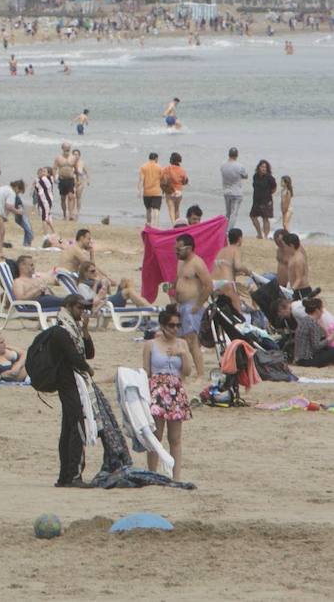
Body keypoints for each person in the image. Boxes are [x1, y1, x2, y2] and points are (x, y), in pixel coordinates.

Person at [42, 295, 95, 486]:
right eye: (80, 307)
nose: (83, 311)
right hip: (67, 382)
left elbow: (89, 353)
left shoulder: (73, 329)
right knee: (75, 428)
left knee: (69, 427)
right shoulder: (61, 331)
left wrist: (86, 331)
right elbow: (75, 358)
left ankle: (66, 476)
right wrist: (88, 369)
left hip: (73, 383)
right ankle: (72, 475)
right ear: (69, 307)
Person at [143, 304, 194, 480]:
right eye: (171, 325)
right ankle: (152, 473)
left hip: (175, 391)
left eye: (178, 326)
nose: (175, 329)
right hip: (156, 390)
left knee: (175, 438)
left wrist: (183, 354)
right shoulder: (150, 344)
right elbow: (146, 372)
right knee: (155, 436)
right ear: (163, 326)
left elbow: (187, 372)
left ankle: (176, 477)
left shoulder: (182, 344)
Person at [172, 234, 212, 381]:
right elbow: (179, 281)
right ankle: (182, 372)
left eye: (179, 249)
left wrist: (198, 305)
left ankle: (200, 374)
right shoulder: (181, 263)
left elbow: (208, 285)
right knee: (179, 340)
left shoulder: (197, 263)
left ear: (188, 248)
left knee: (192, 340)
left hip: (192, 306)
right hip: (181, 306)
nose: (176, 252)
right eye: (175, 249)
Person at [293, 297, 334, 367]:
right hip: (308, 360)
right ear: (317, 310)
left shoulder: (304, 320)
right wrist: (330, 338)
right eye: (321, 309)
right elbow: (316, 346)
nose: (323, 311)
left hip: (300, 358)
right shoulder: (313, 323)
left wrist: (324, 329)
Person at [249, 159, 277, 241]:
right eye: (262, 167)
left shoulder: (270, 178)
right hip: (256, 200)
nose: (264, 168)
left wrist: (267, 194)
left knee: (265, 218)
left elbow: (274, 189)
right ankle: (259, 233)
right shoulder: (255, 176)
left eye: (265, 167)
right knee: (252, 216)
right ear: (259, 167)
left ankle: (266, 236)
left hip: (266, 201)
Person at [220, 147, 248, 228]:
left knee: (228, 213)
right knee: (234, 213)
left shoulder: (223, 165)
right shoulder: (239, 166)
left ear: (229, 155)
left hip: (226, 191)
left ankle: (225, 229)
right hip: (237, 192)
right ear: (237, 155)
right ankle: (229, 230)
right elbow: (245, 176)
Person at [137, 152, 164, 227]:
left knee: (148, 209)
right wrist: (164, 189)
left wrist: (139, 191)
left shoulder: (143, 167)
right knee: (156, 210)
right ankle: (155, 225)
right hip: (157, 192)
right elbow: (162, 180)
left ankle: (148, 224)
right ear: (156, 158)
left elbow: (141, 180)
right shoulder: (159, 167)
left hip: (147, 192)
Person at [162, 153, 188, 225]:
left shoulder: (167, 168)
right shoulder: (182, 170)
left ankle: (173, 224)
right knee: (177, 209)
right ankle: (178, 225)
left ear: (171, 160)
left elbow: (163, 179)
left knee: (171, 209)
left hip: (169, 192)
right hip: (179, 192)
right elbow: (184, 181)